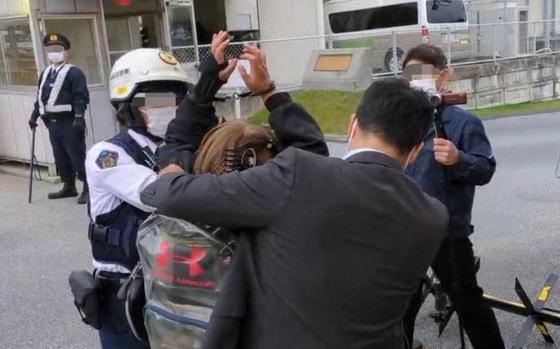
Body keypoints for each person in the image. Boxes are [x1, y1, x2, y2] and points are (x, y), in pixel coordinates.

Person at [140, 61, 450, 347]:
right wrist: (270, 93)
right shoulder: (433, 216)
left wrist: (170, 171)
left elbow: (172, 194)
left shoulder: (300, 177)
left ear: (352, 124)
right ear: (416, 150)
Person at [401, 44, 504, 349]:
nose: (415, 81)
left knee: (468, 301)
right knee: (399, 306)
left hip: (448, 231)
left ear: (444, 76)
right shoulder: (403, 123)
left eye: (423, 74)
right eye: (409, 75)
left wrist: (458, 158)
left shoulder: (464, 123)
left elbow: (485, 169)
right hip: (405, 228)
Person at [28, 33, 90, 204]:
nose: (54, 52)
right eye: (51, 49)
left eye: (58, 49)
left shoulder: (74, 73)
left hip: (70, 122)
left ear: (66, 52)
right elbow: (41, 97)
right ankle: (69, 186)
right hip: (52, 124)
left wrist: (79, 116)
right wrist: (34, 116)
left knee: (77, 156)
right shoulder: (46, 73)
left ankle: (88, 187)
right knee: (60, 157)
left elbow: (80, 97)